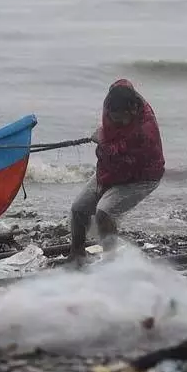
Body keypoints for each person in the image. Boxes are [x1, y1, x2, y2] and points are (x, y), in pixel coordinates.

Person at [70, 79, 165, 264]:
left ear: (132, 110)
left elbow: (124, 161)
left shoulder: (144, 132)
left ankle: (110, 263)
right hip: (110, 168)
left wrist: (102, 141)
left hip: (142, 176)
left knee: (104, 212)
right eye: (112, 117)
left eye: (121, 118)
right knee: (78, 209)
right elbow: (122, 83)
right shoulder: (115, 95)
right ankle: (76, 256)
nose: (116, 122)